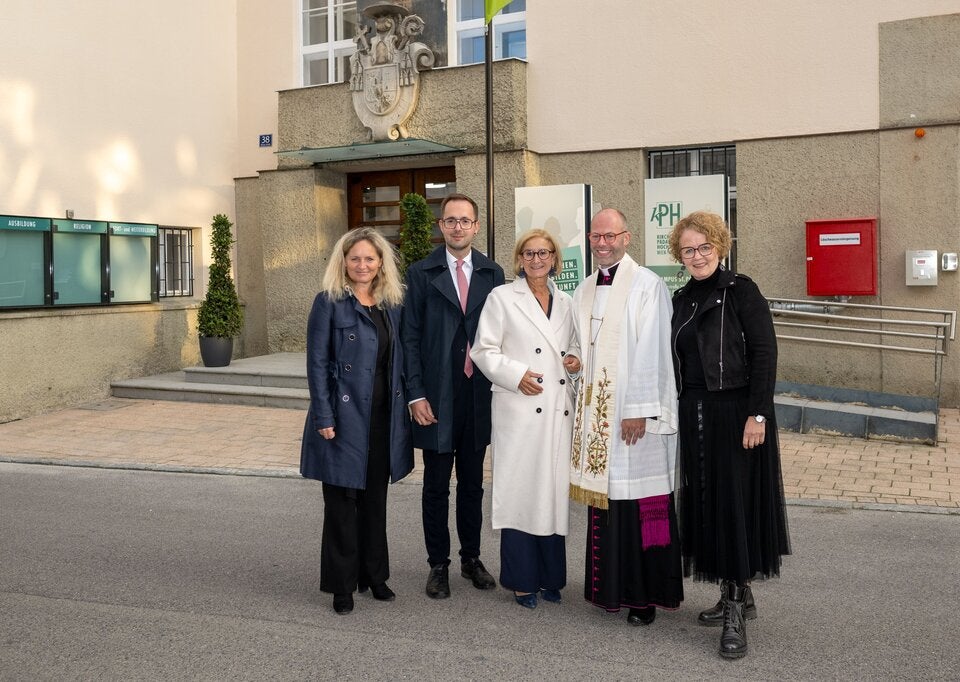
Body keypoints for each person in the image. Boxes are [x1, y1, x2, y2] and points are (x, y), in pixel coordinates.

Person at [668, 210, 791, 660]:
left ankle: (737, 611)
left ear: (720, 247)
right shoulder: (681, 297)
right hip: (695, 413)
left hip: (738, 415)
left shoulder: (741, 290)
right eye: (688, 249)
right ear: (678, 255)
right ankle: (733, 592)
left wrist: (759, 414)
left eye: (704, 247)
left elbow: (765, 352)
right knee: (709, 504)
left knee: (735, 505)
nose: (697, 256)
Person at [569, 208, 684, 627]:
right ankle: (608, 590)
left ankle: (645, 597)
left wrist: (639, 410)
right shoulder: (583, 289)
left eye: (610, 236)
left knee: (641, 505)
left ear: (627, 237)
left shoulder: (647, 285)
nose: (603, 243)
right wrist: (573, 359)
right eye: (596, 236)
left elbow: (655, 349)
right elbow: (582, 345)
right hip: (601, 419)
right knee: (610, 502)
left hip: (636, 421)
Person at [300, 227, 414, 616]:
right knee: (341, 504)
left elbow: (399, 363)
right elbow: (317, 364)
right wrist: (324, 415)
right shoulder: (328, 302)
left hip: (383, 419)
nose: (362, 265)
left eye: (369, 258)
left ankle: (375, 576)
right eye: (355, 259)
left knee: (374, 502)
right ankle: (342, 585)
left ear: (381, 262)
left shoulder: (391, 304)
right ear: (343, 263)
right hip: (343, 419)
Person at [401, 193, 506, 599]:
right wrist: (416, 394)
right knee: (436, 486)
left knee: (473, 485)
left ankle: (471, 558)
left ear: (476, 226)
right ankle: (438, 565)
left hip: (478, 393)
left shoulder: (492, 273)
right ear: (441, 226)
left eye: (465, 221)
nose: (458, 227)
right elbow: (410, 338)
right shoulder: (420, 273)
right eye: (450, 221)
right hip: (437, 396)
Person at [470, 229, 581, 609]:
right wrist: (515, 374)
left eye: (544, 253)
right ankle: (521, 580)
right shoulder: (502, 297)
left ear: (554, 259)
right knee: (521, 494)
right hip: (520, 407)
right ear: (519, 260)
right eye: (529, 254)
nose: (537, 260)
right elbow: (483, 350)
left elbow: (578, 347)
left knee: (550, 494)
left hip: (556, 412)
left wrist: (576, 361)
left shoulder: (567, 301)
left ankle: (551, 578)